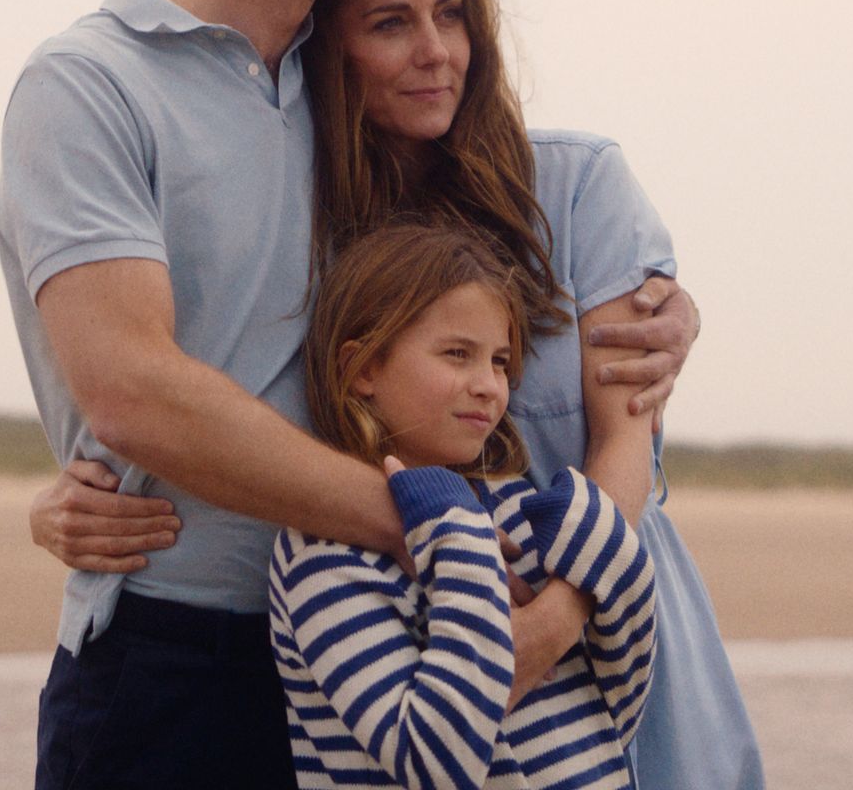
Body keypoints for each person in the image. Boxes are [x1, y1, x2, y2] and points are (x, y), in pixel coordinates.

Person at [34, 0, 762, 788]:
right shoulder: (322, 234)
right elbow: (238, 390)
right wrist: (70, 491)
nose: (434, 50)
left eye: (451, 16)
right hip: (408, 663)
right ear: (330, 52)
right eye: (391, 23)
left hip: (602, 639)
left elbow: (626, 444)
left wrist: (555, 618)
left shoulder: (579, 189)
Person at [271, 219, 656, 789]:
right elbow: (434, 762)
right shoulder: (322, 555)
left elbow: (618, 701)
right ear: (363, 368)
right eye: (458, 354)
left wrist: (603, 543)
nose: (489, 385)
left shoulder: (515, 505)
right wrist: (457, 535)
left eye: (500, 361)